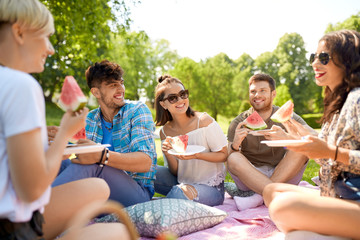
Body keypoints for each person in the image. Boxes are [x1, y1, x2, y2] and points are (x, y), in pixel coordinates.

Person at [0, 1, 130, 239]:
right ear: (18, 32)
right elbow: (31, 191)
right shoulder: (21, 85)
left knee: (98, 186)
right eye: (46, 37)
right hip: (13, 228)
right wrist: (64, 134)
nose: (50, 49)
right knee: (118, 231)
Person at [263, 30, 360, 239]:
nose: (315, 63)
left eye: (324, 57)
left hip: (354, 199)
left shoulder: (358, 99)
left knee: (282, 207)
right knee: (271, 191)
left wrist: (331, 152)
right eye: (313, 57)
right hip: (337, 195)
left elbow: (331, 153)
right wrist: (293, 137)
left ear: (348, 61)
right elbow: (325, 155)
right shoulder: (336, 104)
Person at [52, 60, 157, 207]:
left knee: (94, 164)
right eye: (113, 85)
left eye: (121, 82)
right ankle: (28, 203)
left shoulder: (137, 110)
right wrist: (60, 138)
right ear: (96, 92)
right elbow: (74, 151)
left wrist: (102, 155)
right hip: (100, 191)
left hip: (137, 193)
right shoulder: (91, 118)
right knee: (61, 163)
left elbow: (145, 162)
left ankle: (36, 213)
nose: (121, 89)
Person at [227, 73, 310, 210]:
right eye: (253, 91)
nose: (257, 95)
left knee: (302, 148)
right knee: (233, 158)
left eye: (263, 91)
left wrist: (288, 138)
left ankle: (259, 197)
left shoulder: (288, 117)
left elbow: (313, 138)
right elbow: (226, 156)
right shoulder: (238, 122)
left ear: (273, 94)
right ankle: (275, 194)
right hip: (251, 177)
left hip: (284, 173)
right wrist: (235, 145)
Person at [154, 74, 228, 206]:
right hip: (181, 182)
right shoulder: (165, 132)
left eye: (183, 94)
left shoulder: (204, 121)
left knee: (178, 192)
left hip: (212, 189)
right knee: (146, 171)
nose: (180, 100)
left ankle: (158, 208)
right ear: (163, 104)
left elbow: (224, 155)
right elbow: (175, 172)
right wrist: (167, 153)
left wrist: (197, 155)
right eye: (172, 98)